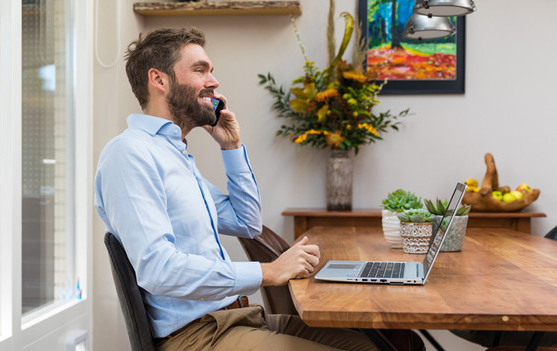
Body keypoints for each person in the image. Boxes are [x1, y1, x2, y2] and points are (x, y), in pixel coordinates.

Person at [95, 27, 424, 351]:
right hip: (197, 337)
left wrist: (232, 146)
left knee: (381, 346)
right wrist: (269, 272)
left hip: (240, 319)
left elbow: (247, 223)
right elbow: (158, 270)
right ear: (160, 80)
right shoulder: (130, 154)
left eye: (211, 70)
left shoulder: (174, 156)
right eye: (200, 70)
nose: (214, 81)